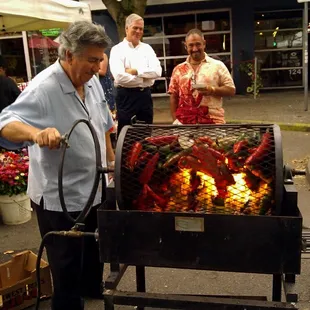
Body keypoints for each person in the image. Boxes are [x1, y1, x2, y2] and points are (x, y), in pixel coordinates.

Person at [0, 21, 114, 310]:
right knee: (66, 263)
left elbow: (103, 124)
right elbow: (5, 124)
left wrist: (111, 161)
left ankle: (92, 288)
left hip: (94, 187)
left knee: (93, 247)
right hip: (60, 197)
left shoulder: (91, 80)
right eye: (92, 60)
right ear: (68, 55)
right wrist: (35, 133)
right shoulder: (43, 89)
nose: (97, 66)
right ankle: (67, 304)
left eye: (100, 59)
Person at [109, 13, 162, 136]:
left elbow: (157, 71)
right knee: (126, 135)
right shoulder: (117, 50)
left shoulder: (147, 48)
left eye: (141, 29)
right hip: (126, 98)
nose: (138, 31)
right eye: (135, 28)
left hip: (145, 97)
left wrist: (136, 71)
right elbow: (119, 77)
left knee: (146, 134)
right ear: (126, 28)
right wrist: (145, 80)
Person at [169, 28, 236, 125]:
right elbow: (173, 97)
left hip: (213, 122)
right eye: (191, 45)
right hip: (184, 123)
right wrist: (175, 120)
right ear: (185, 46)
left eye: (198, 44)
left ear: (204, 43)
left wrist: (212, 90)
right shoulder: (178, 70)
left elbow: (231, 90)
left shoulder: (217, 66)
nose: (195, 49)